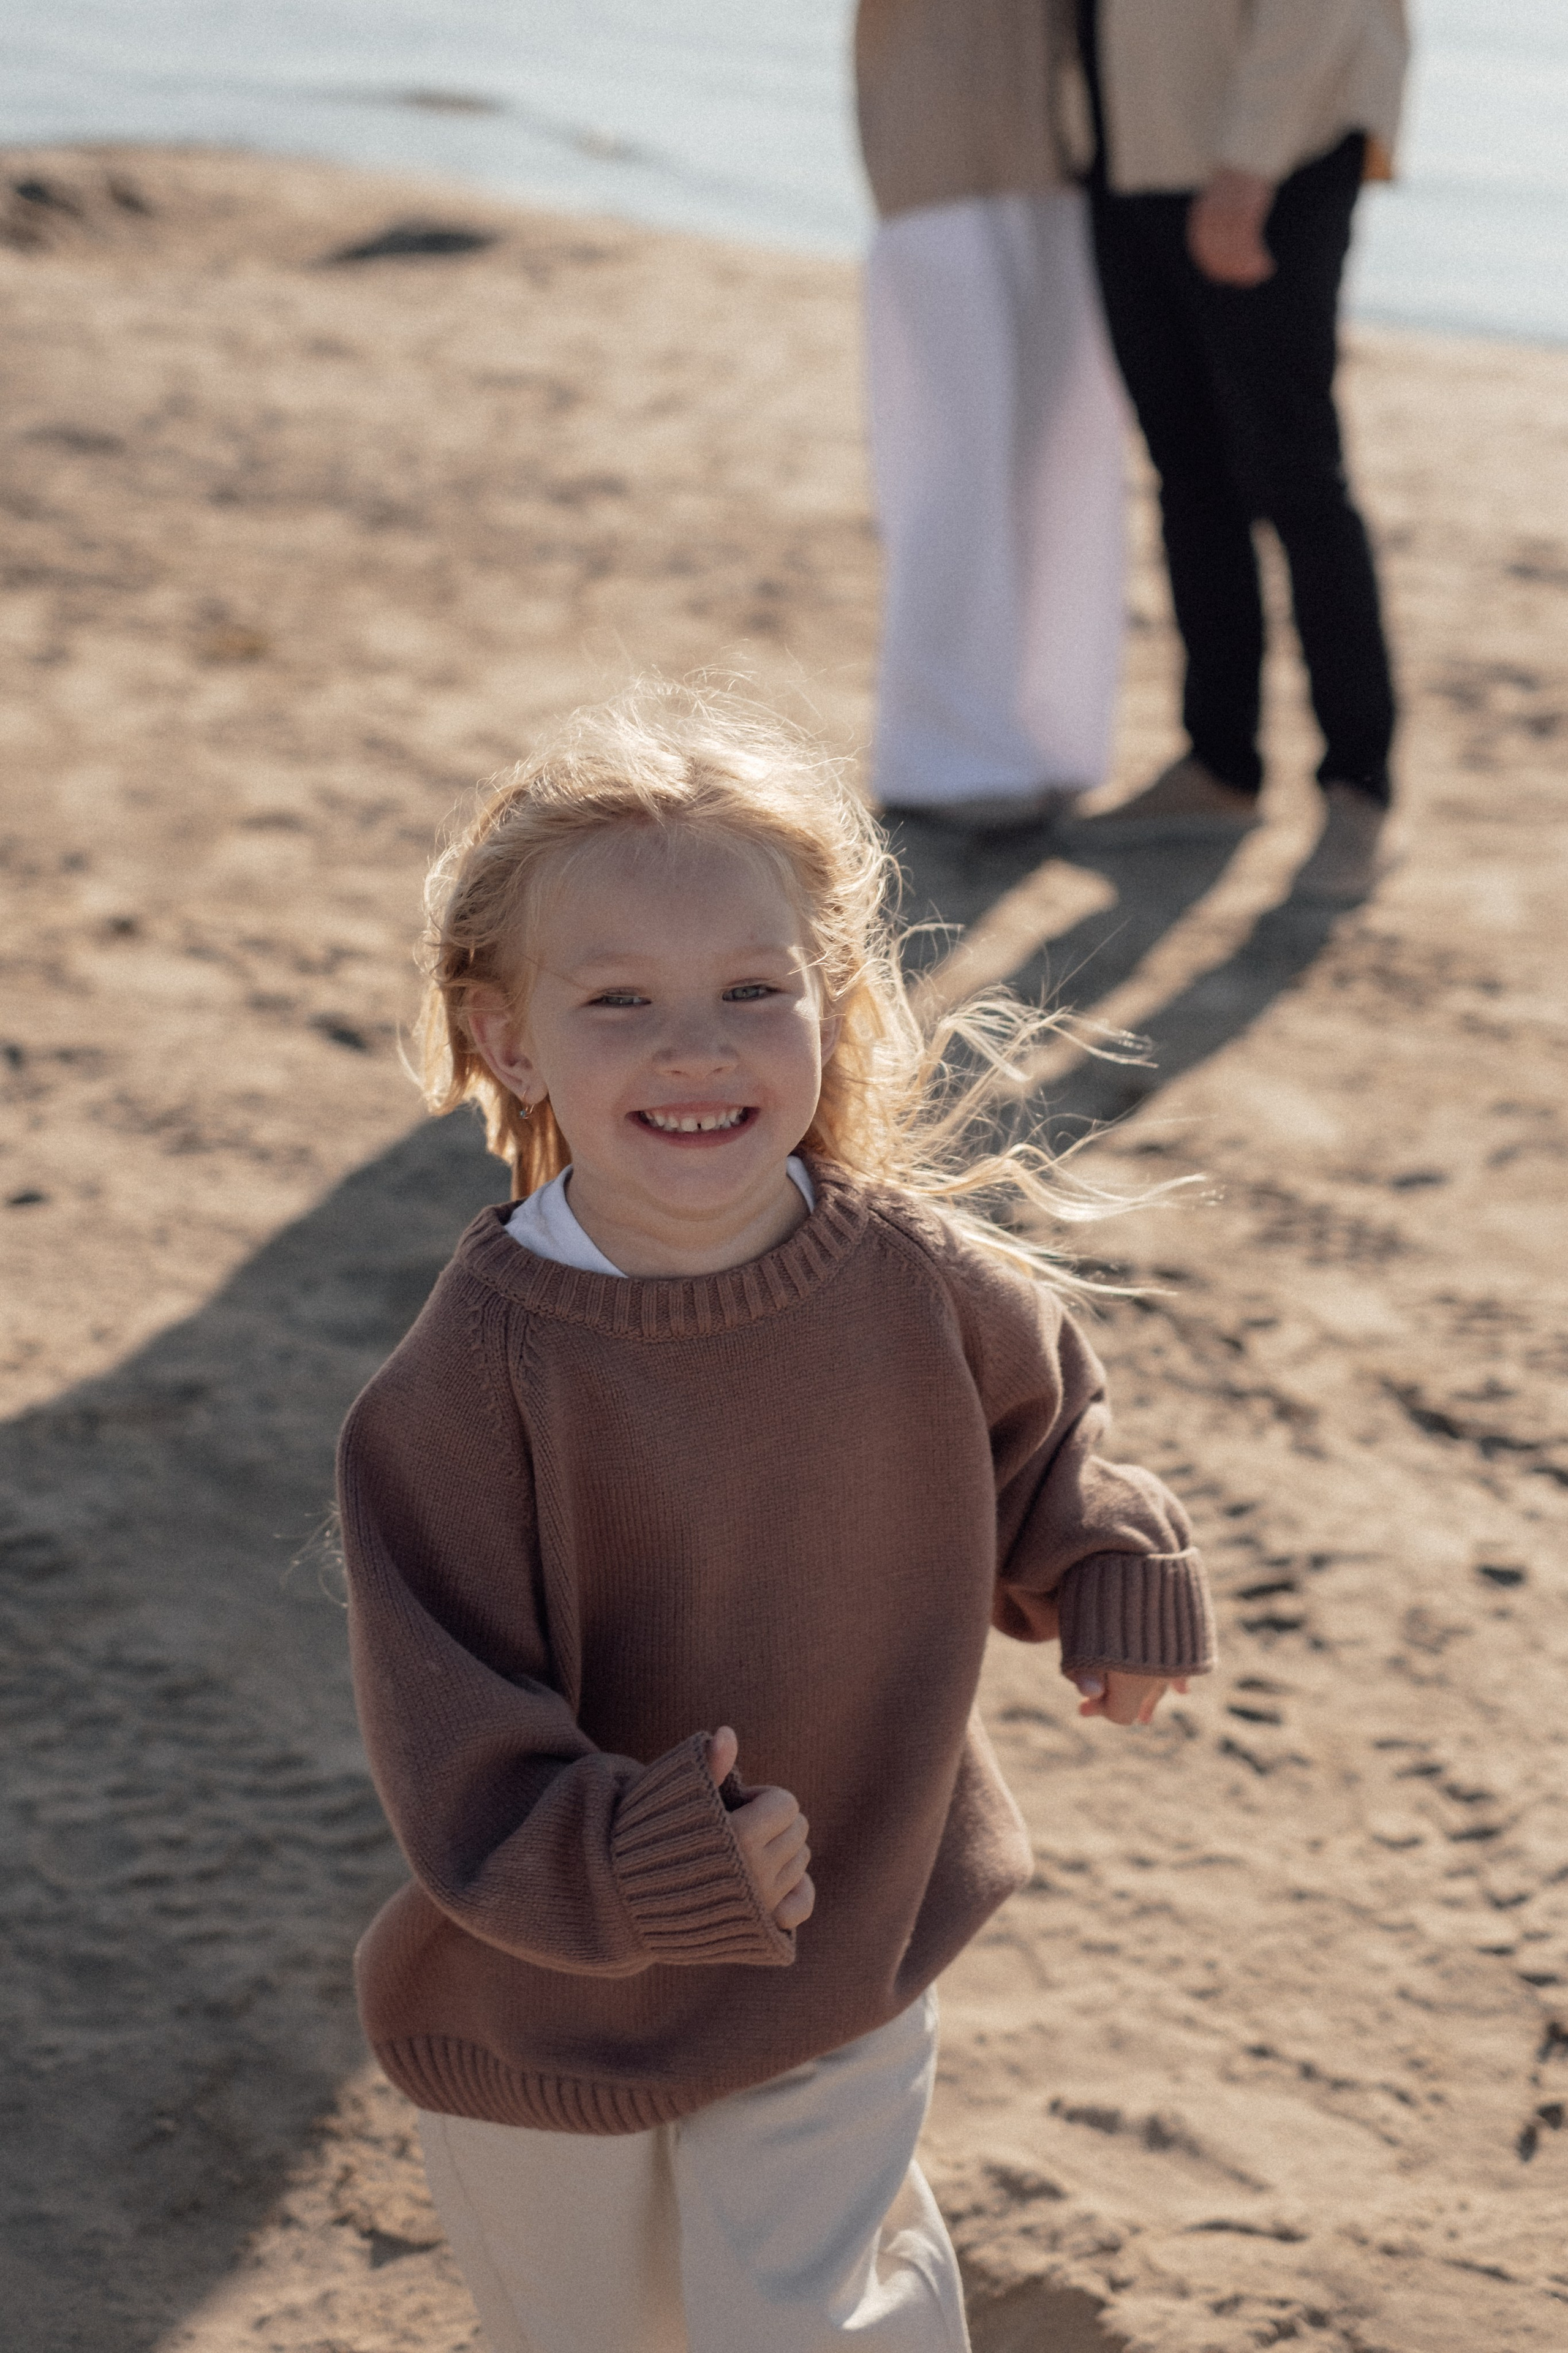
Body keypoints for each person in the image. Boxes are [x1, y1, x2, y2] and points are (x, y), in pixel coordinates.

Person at [336, 687, 1217, 2352]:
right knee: (602, 2329)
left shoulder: (921, 1284)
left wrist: (1107, 1562)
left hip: (843, 1934)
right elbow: (453, 1733)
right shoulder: (465, 1386)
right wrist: (638, 1855)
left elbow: (1046, 1437)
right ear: (508, 1036)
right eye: (620, 1002)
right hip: (552, 2007)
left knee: (819, 2323)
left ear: (836, 1002)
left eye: (756, 989)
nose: (699, 1048)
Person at [1068, 0, 1410, 898]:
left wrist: (1249, 168)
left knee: (1297, 480)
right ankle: (1219, 766)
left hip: (1263, 154)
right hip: (1132, 147)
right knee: (1190, 475)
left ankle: (1359, 792)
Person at [855, 0, 1128, 832]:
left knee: (1070, 461)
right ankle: (939, 757)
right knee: (951, 457)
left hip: (1076, 147)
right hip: (935, 138)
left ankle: (1050, 739)